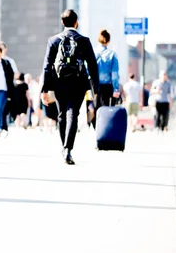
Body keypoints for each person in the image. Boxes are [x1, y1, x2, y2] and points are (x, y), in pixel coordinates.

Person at [41, 9, 99, 165]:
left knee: (61, 115)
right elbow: (93, 66)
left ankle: (64, 146)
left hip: (59, 82)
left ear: (62, 23)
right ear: (76, 22)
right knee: (73, 113)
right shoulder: (84, 40)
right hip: (79, 82)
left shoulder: (53, 40)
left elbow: (47, 66)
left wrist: (44, 90)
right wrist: (95, 89)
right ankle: (68, 149)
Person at [92, 29, 120, 128]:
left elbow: (87, 70)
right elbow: (114, 74)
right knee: (106, 110)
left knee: (95, 108)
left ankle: (96, 129)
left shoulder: (93, 52)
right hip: (107, 87)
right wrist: (116, 89)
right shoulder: (112, 54)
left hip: (94, 87)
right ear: (108, 41)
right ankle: (105, 129)